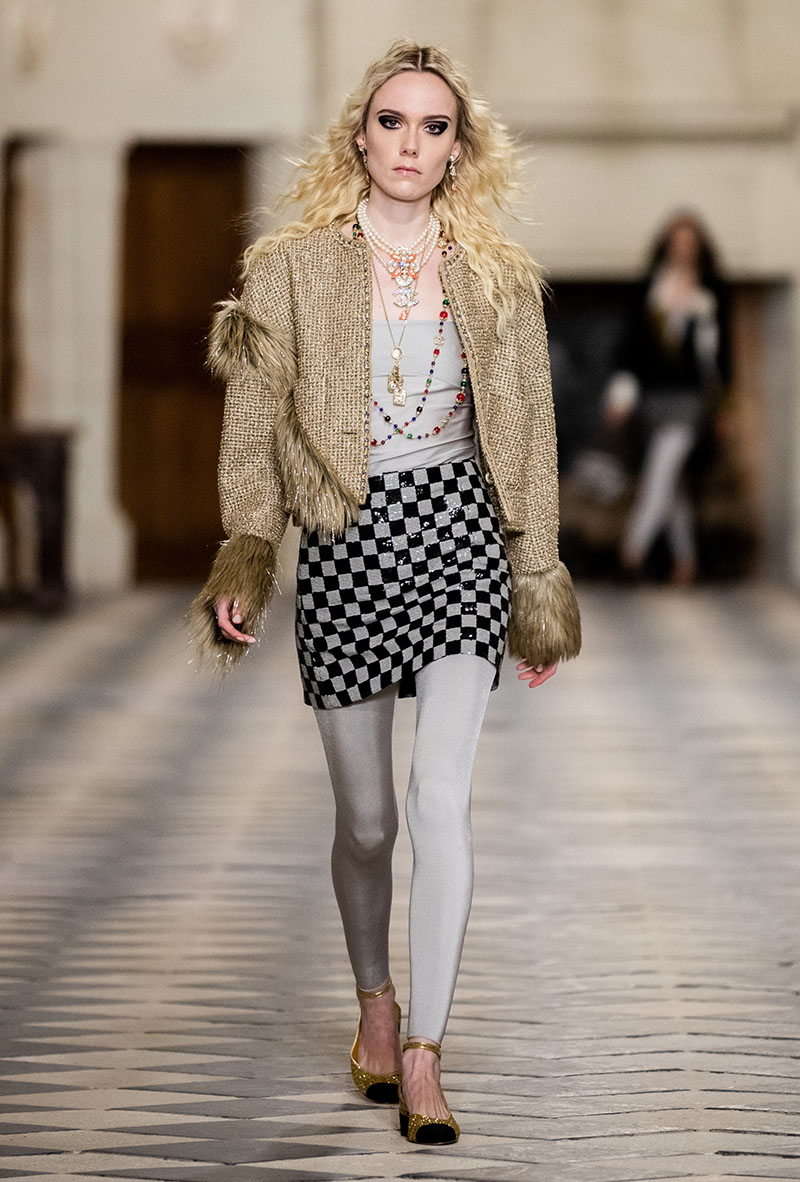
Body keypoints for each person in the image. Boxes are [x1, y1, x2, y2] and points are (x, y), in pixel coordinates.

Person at [190, 39, 581, 1145]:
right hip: (345, 539)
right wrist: (248, 548)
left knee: (438, 801)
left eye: (434, 126)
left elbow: (530, 432)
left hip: (458, 534)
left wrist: (535, 575)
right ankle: (375, 1004)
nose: (411, 144)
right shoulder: (289, 267)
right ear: (359, 136)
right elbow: (254, 420)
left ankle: (424, 1055)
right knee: (366, 822)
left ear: (460, 147)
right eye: (393, 122)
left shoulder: (497, 275)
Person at [604, 212, 727, 584]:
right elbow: (631, 349)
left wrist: (726, 406)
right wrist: (621, 396)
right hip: (653, 398)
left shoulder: (709, 292)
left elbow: (720, 358)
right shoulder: (651, 288)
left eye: (690, 243)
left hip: (689, 399)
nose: (683, 250)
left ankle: (632, 549)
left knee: (661, 471)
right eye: (677, 243)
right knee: (671, 482)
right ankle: (685, 562)